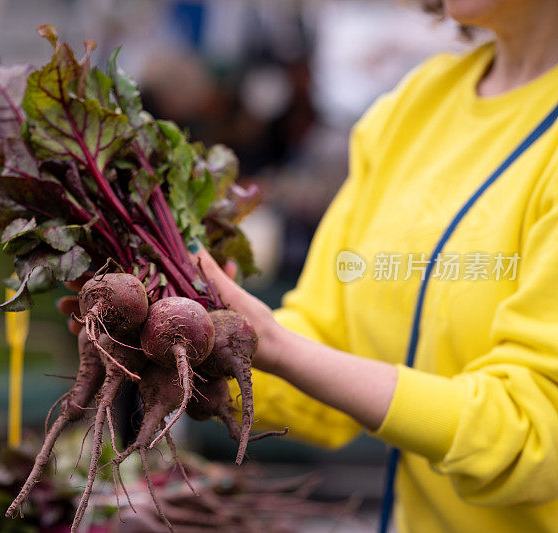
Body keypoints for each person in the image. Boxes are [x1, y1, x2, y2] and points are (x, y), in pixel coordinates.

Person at [60, 1, 558, 530]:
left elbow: (533, 434)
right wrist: (202, 340)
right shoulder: (419, 104)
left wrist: (276, 346)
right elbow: (330, 343)